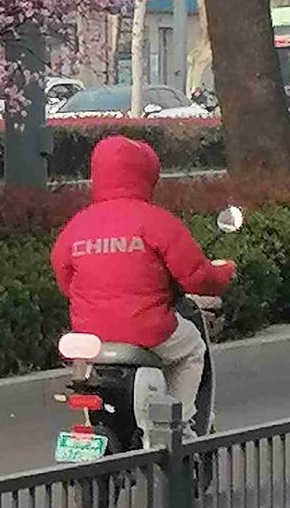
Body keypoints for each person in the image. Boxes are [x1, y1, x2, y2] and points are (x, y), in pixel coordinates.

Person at [51, 134, 235, 430]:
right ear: (147, 175)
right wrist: (225, 271)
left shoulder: (77, 226)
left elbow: (64, 280)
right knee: (192, 349)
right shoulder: (157, 222)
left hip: (90, 339)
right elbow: (198, 277)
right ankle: (180, 424)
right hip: (147, 332)